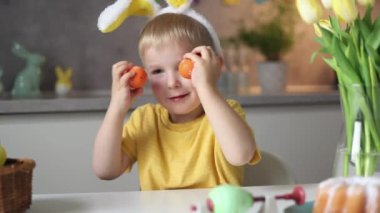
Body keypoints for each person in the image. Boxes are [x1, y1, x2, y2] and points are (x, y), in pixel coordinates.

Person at [93, 12, 260, 191]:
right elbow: (105, 171)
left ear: (214, 67)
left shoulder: (225, 113)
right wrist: (116, 108)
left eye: (184, 67)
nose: (172, 83)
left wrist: (206, 87)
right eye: (157, 71)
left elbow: (241, 155)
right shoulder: (145, 119)